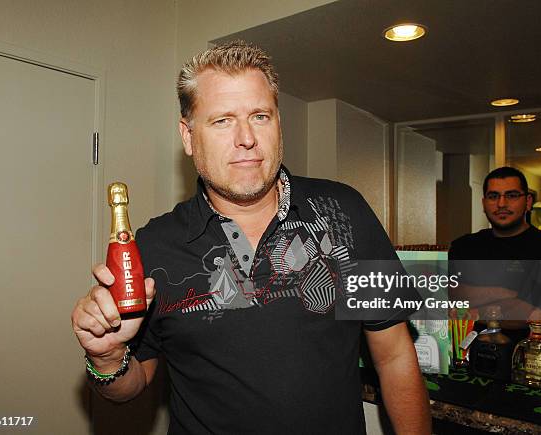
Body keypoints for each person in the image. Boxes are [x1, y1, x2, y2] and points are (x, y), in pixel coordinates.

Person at [71, 41, 431, 434]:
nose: (246, 138)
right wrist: (107, 359)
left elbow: (395, 356)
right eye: (222, 120)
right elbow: (132, 386)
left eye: (260, 116)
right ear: (188, 137)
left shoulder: (345, 211)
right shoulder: (155, 243)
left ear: (279, 123)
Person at [449, 166, 541, 350]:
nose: (501, 204)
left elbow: (534, 314)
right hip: (470, 360)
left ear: (528, 202)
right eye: (493, 196)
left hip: (534, 363)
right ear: (483, 203)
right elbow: (453, 297)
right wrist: (507, 293)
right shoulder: (464, 246)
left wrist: (474, 308)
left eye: (512, 195)